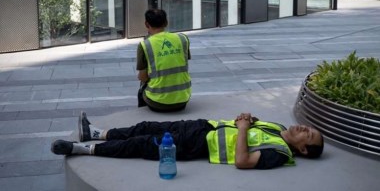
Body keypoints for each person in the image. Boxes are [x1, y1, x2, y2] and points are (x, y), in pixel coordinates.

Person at [51, 112, 324, 170]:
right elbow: (243, 126)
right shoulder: (277, 127)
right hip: (202, 126)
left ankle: (81, 149)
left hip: (199, 146)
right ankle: (97, 133)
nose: (304, 127)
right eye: (309, 128)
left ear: (301, 149)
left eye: (307, 134)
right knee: (146, 126)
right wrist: (246, 119)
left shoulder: (280, 153)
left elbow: (243, 161)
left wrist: (242, 128)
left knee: (143, 143)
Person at [136, 9, 191, 112]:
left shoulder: (145, 44)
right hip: (183, 99)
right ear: (166, 22)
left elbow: (142, 77)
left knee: (142, 85)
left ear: (146, 24)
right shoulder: (183, 39)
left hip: (157, 103)